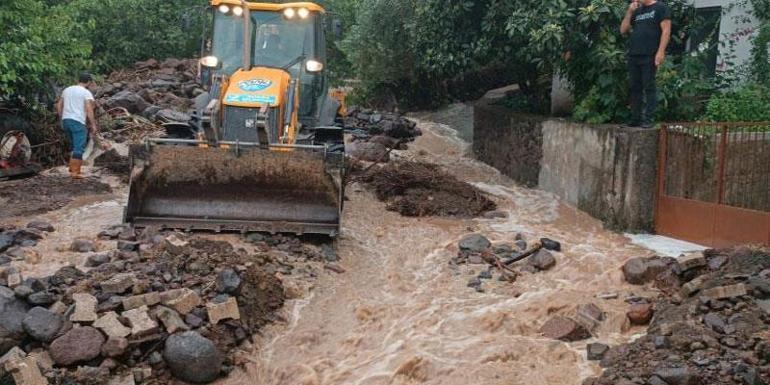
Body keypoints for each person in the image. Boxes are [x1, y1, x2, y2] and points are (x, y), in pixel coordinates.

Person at [620, 0, 671, 128]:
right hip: (634, 54)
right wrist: (629, 12)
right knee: (634, 87)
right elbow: (623, 30)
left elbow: (666, 31)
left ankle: (649, 118)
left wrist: (661, 52)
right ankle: (635, 118)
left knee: (649, 86)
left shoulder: (660, 8)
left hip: (650, 54)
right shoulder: (637, 11)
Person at [55, 73, 98, 178]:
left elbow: (59, 105)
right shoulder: (86, 92)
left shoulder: (67, 90)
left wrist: (62, 117)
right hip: (78, 121)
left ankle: (72, 168)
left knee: (74, 145)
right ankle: (75, 172)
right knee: (79, 147)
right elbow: (89, 109)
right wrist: (93, 125)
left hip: (66, 121)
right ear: (88, 82)